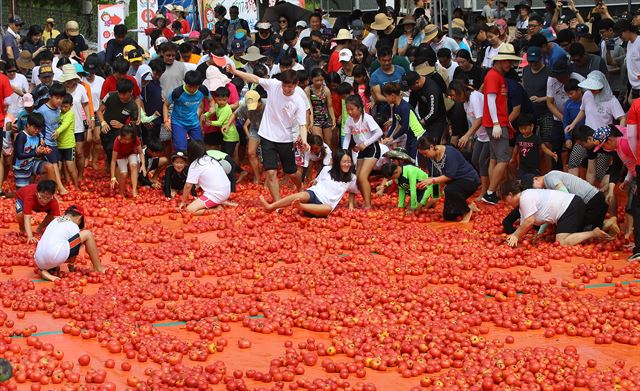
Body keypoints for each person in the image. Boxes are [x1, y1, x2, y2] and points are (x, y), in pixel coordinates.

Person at [226, 66, 309, 201]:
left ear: (296, 84)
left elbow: (302, 125)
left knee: (292, 173)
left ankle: (300, 187)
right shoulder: (274, 85)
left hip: (285, 139)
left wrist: (304, 140)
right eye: (284, 86)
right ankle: (278, 203)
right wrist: (235, 72)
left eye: (290, 87)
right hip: (267, 136)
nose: (286, 89)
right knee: (270, 172)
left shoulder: (298, 100)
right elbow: (254, 78)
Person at [501, 179, 610, 247]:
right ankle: (607, 224)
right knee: (579, 230)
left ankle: (594, 233)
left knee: (562, 242)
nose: (506, 203)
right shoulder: (525, 198)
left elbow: (529, 222)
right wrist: (516, 237)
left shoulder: (525, 198)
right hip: (571, 205)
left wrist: (515, 235)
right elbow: (526, 224)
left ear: (510, 194)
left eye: (505, 200)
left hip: (570, 207)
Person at [259, 149, 357, 217]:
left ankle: (300, 206)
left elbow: (353, 190)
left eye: (349, 162)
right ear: (337, 162)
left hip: (322, 206)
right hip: (314, 194)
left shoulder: (352, 178)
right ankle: (271, 206)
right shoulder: (327, 169)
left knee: (328, 209)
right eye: (344, 161)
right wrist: (314, 181)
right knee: (303, 195)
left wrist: (351, 204)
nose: (347, 164)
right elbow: (317, 180)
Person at [481, 44, 521, 205]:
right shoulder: (493, 76)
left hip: (497, 121)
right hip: (496, 122)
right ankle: (490, 192)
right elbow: (490, 100)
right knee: (503, 159)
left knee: (495, 159)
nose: (510, 65)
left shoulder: (498, 76)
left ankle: (492, 191)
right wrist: (497, 123)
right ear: (500, 60)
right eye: (508, 61)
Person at [34, 205, 104, 282]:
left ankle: (43, 271)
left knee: (57, 244)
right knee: (87, 234)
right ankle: (99, 268)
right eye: (79, 223)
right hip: (53, 257)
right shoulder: (73, 225)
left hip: (38, 260)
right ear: (79, 218)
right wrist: (72, 263)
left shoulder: (55, 220)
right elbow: (74, 248)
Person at [417, 137, 480, 222]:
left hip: (469, 180)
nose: (425, 156)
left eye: (425, 153)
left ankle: (467, 212)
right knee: (448, 216)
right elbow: (434, 177)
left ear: (431, 147)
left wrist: (432, 181)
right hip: (454, 184)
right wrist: (435, 196)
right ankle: (469, 206)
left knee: (449, 190)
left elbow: (449, 176)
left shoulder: (449, 153)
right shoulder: (430, 158)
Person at [532, 170, 612, 233]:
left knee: (573, 231)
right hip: (594, 200)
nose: (536, 192)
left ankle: (609, 222)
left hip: (593, 201)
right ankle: (606, 224)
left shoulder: (549, 177)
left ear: (535, 178)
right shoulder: (548, 185)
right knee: (591, 230)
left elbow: (565, 194)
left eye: (533, 188)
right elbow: (549, 213)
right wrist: (540, 233)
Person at [342, 95, 383, 209]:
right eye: (348, 109)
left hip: (372, 148)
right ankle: (364, 201)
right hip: (361, 150)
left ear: (359, 108)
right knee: (357, 178)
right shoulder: (349, 121)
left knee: (362, 177)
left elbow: (379, 133)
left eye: (352, 109)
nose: (349, 112)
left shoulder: (367, 118)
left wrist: (366, 143)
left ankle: (368, 205)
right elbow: (347, 137)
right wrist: (345, 152)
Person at [164, 70, 211, 152]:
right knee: (181, 148)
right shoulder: (177, 92)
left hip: (194, 122)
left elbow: (212, 101)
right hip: (178, 122)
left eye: (195, 87)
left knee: (198, 148)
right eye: (189, 86)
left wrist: (210, 111)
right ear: (185, 83)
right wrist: (166, 121)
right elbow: (165, 105)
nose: (192, 89)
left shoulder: (203, 90)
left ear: (199, 85)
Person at [181, 141, 231, 214]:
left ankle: (216, 210)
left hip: (217, 195)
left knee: (190, 210)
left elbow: (188, 186)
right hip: (226, 190)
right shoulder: (210, 158)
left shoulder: (195, 164)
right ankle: (218, 202)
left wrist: (183, 202)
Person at [97, 78, 139, 164]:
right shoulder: (110, 96)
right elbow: (99, 111)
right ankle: (109, 163)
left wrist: (122, 126)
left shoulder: (133, 107)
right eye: (120, 93)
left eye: (124, 94)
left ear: (130, 92)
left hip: (119, 131)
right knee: (107, 149)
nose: (121, 96)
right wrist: (103, 123)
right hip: (106, 128)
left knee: (112, 149)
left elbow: (133, 126)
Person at [35, 83, 67, 194]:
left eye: (61, 98)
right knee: (54, 165)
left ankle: (42, 188)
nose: (59, 101)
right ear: (50, 96)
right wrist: (41, 139)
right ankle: (59, 187)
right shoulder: (42, 110)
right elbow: (35, 123)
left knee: (56, 165)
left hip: (55, 142)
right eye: (57, 98)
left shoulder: (59, 109)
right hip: (46, 142)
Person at [13, 112, 56, 191]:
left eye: (39, 129)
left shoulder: (38, 136)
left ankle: (51, 193)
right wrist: (36, 153)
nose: (37, 131)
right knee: (23, 193)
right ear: (28, 125)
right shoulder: (22, 136)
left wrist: (44, 150)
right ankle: (32, 189)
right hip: (21, 168)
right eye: (35, 128)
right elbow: (19, 155)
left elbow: (38, 152)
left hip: (31, 164)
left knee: (49, 167)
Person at [402, 70, 447, 144]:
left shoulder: (432, 90)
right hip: (422, 116)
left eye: (410, 87)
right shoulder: (414, 88)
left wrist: (422, 122)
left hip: (436, 120)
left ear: (417, 82)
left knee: (430, 143)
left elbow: (433, 112)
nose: (410, 89)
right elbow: (411, 104)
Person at [381, 83, 425, 158]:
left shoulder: (404, 107)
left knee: (415, 160)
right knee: (408, 158)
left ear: (392, 95)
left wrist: (392, 138)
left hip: (418, 136)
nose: (386, 99)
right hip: (410, 136)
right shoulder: (395, 107)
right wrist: (387, 137)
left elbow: (405, 127)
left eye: (386, 96)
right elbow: (394, 125)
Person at [512, 113, 558, 178]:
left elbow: (544, 148)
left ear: (532, 126)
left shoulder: (536, 138)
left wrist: (552, 154)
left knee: (535, 181)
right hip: (522, 167)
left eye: (525, 129)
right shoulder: (519, 137)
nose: (523, 131)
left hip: (534, 167)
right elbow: (516, 148)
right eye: (521, 129)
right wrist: (513, 158)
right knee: (521, 181)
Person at [16, 179, 60, 244]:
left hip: (39, 206)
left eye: (48, 198)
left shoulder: (53, 201)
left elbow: (57, 219)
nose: (44, 200)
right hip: (21, 198)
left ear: (52, 196)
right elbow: (27, 218)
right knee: (20, 214)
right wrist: (30, 236)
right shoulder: (29, 198)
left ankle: (39, 229)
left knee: (52, 213)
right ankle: (22, 229)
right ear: (37, 193)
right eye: (42, 196)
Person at [109, 125, 144, 197]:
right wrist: (112, 177)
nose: (127, 141)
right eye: (125, 139)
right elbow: (113, 161)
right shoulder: (117, 141)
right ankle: (121, 192)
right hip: (120, 156)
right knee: (124, 173)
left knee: (134, 165)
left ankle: (134, 191)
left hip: (131, 153)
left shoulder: (135, 139)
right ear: (121, 136)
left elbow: (140, 152)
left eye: (129, 140)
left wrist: (143, 164)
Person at [306, 68, 336, 149]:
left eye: (321, 80)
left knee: (328, 143)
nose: (319, 82)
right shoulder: (308, 90)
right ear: (311, 79)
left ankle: (329, 160)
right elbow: (309, 107)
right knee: (318, 142)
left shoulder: (326, 90)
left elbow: (329, 106)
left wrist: (333, 118)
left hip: (326, 119)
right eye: (317, 80)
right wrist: (311, 122)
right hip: (315, 119)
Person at [53, 93, 78, 188]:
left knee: (70, 166)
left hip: (68, 145)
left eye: (66, 106)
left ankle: (76, 185)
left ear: (71, 106)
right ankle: (59, 186)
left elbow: (65, 125)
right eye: (62, 106)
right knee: (58, 167)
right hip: (58, 145)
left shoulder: (70, 114)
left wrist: (57, 131)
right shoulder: (58, 113)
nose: (63, 108)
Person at [206, 86, 238, 158]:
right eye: (219, 100)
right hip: (225, 136)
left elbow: (220, 122)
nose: (221, 102)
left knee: (227, 157)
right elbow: (211, 112)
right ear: (215, 98)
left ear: (227, 99)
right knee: (223, 155)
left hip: (231, 137)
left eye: (224, 100)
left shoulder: (226, 109)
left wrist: (210, 122)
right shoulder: (217, 105)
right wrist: (205, 115)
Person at [616, 19, 640, 100]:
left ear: (627, 30)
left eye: (620, 34)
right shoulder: (629, 44)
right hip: (634, 88)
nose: (620, 38)